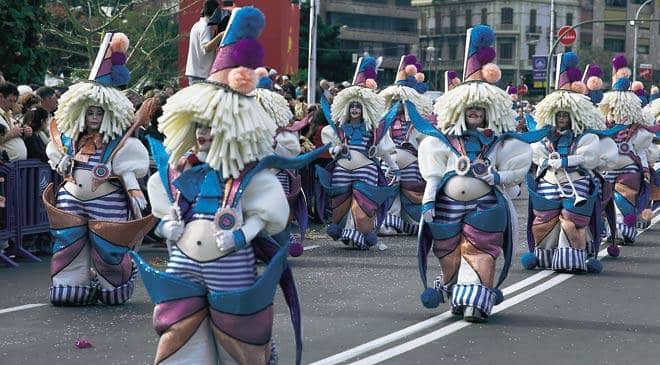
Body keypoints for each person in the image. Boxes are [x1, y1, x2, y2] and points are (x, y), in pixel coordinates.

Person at [135, 8, 302, 364]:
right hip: (183, 266)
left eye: (213, 127)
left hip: (230, 267)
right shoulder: (180, 169)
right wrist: (168, 225)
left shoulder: (249, 173)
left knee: (238, 339)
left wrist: (242, 236)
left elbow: (266, 214)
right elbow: (164, 208)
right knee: (178, 334)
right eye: (199, 126)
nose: (203, 134)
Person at [416, 25, 532, 322]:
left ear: (489, 111)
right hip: (447, 207)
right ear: (459, 110)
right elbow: (433, 175)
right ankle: (457, 293)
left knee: (481, 252)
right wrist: (428, 201)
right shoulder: (441, 141)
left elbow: (514, 172)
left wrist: (496, 178)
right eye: (470, 109)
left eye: (480, 109)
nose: (475, 113)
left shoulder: (500, 142)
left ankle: (476, 303)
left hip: (485, 206)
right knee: (448, 254)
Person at [43, 32, 154, 306]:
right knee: (68, 243)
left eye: (99, 113)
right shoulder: (69, 139)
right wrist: (62, 161)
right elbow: (55, 155)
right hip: (71, 200)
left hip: (107, 200)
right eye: (90, 113)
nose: (94, 118)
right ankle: (69, 286)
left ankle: (113, 285)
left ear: (110, 114)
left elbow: (130, 169)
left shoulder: (120, 142)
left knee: (108, 247)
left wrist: (135, 192)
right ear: (81, 112)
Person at [521, 52, 609, 274]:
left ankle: (571, 256)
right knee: (544, 220)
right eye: (559, 115)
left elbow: (591, 157)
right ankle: (545, 254)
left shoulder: (585, 136)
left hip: (576, 181)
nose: (562, 119)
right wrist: (545, 161)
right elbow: (535, 152)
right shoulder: (544, 135)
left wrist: (568, 160)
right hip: (549, 181)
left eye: (565, 115)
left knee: (574, 220)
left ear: (574, 116)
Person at [317, 56, 399, 250]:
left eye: (358, 106)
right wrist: (337, 149)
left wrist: (394, 167)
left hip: (366, 169)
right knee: (340, 205)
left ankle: (358, 234)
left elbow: (383, 150)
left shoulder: (373, 130)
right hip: (342, 170)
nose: (355, 109)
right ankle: (348, 231)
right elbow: (331, 147)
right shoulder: (339, 129)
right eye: (352, 106)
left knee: (363, 205)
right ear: (346, 108)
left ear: (365, 110)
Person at [598, 54, 654, 245]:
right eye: (613, 109)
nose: (617, 113)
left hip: (629, 167)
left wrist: (645, 170)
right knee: (603, 200)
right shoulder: (603, 125)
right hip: (607, 168)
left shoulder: (638, 130)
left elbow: (641, 152)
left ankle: (624, 231)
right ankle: (608, 230)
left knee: (624, 198)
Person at [378, 54, 433, 235]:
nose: (398, 105)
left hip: (412, 161)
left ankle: (412, 223)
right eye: (394, 101)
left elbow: (425, 141)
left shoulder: (417, 121)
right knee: (390, 189)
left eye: (401, 101)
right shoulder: (384, 121)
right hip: (389, 159)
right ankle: (390, 223)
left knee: (411, 193)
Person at [185, 0, 221, 84]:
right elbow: (205, 48)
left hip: (195, 73)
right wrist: (220, 35)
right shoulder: (205, 27)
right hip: (200, 76)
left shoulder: (197, 25)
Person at [0, 82, 28, 161]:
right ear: (1, 96)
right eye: (10, 100)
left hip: (15, 166)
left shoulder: (8, 115)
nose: (12, 104)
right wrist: (11, 134)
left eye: (14, 101)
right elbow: (11, 134)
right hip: (6, 167)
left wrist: (24, 132)